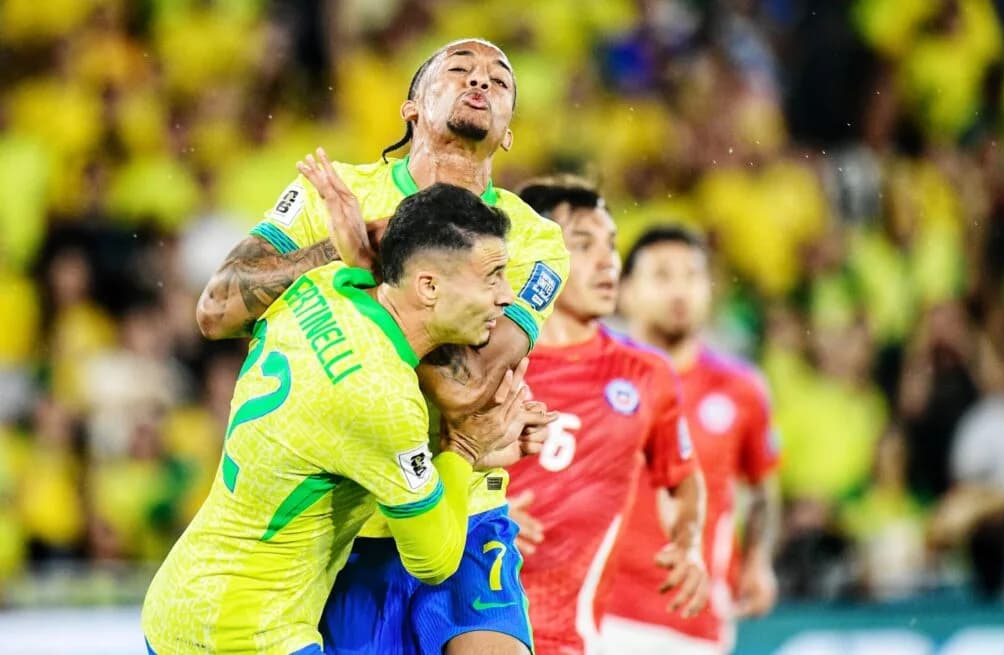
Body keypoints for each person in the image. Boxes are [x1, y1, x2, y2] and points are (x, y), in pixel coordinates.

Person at [196, 39, 570, 655]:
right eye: (459, 70)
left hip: (465, 508)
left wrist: (369, 265)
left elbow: (468, 387)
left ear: (508, 134)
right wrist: (334, 250)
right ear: (411, 108)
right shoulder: (333, 192)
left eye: (500, 81)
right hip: (346, 530)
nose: (480, 81)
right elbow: (217, 310)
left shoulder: (532, 239)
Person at [141, 182, 551, 654]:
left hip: (182, 599)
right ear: (429, 286)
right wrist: (464, 449)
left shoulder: (319, 289)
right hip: (246, 634)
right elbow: (434, 560)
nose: (506, 296)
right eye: (493, 277)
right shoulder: (380, 395)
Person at [504, 177, 709, 655]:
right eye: (583, 244)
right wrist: (480, 515)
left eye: (611, 245)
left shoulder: (645, 375)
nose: (608, 262)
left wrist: (687, 541)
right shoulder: (483, 361)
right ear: (535, 254)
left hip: (568, 636)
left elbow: (681, 478)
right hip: (466, 616)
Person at [603, 227, 781, 655]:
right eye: (662, 275)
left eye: (692, 275)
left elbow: (762, 487)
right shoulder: (595, 376)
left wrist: (758, 561)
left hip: (695, 620)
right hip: (601, 614)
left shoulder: (742, 389)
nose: (680, 290)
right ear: (625, 292)